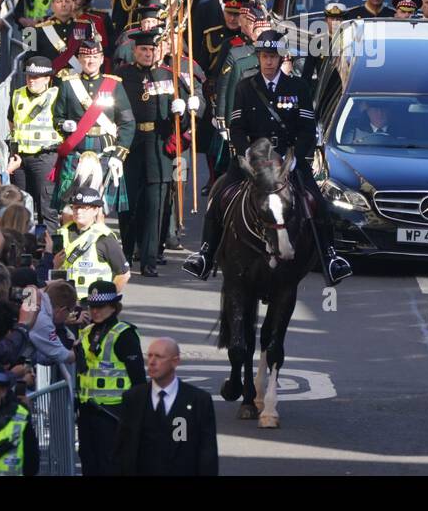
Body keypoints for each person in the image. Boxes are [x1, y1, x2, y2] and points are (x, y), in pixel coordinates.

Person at [184, 31, 351, 285]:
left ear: (281, 58)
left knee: (317, 201)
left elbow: (308, 130)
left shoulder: (298, 87)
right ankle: (205, 254)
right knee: (219, 194)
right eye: (264, 56)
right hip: (254, 159)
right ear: (258, 57)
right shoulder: (245, 87)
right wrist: (247, 153)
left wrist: (294, 158)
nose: (269, 62)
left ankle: (330, 257)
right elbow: (237, 128)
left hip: (288, 159)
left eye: (273, 57)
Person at [116, 28, 199, 276]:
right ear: (134, 51)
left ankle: (150, 260)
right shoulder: (122, 75)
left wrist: (184, 110)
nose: (148, 53)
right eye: (143, 49)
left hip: (158, 144)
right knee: (128, 205)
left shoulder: (169, 76)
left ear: (158, 51)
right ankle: (126, 255)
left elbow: (184, 122)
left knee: (155, 206)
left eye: (152, 49)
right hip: (130, 144)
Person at [50, 38, 135, 214]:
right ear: (79, 59)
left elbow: (127, 122)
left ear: (102, 59)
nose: (90, 61)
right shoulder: (67, 84)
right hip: (76, 151)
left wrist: (119, 155)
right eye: (86, 58)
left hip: (105, 150)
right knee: (69, 207)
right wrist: (63, 125)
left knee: (99, 207)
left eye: (95, 57)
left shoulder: (114, 85)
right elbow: (56, 118)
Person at [113, 337, 219, 476]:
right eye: (149, 356)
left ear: (175, 361)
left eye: (159, 357)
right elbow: (123, 448)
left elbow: (207, 452)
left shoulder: (198, 400)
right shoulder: (133, 398)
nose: (152, 362)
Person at [74, 280, 146, 476]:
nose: (95, 311)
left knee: (111, 466)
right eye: (92, 306)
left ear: (113, 306)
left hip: (114, 414)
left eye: (101, 307)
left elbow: (139, 379)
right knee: (89, 462)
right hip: (87, 412)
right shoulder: (86, 332)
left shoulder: (124, 335)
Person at [9, 53, 61, 234]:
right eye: (29, 76)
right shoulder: (17, 95)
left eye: (37, 77)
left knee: (46, 207)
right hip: (20, 158)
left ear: (47, 79)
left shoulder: (56, 96)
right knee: (20, 205)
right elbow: (11, 121)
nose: (32, 80)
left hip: (45, 157)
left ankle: (49, 252)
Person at [55, 186, 131, 298]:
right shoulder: (61, 233)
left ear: (95, 210)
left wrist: (105, 298)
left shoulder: (104, 238)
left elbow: (124, 274)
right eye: (75, 207)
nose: (78, 211)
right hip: (63, 302)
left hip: (92, 304)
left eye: (83, 208)